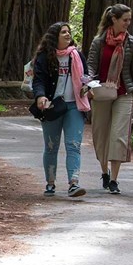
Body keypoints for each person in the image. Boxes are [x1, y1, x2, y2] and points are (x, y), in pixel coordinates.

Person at [87, 4, 133, 195]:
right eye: (125, 20)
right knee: (101, 135)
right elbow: (90, 68)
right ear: (114, 19)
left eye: (129, 20)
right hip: (101, 93)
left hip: (123, 93)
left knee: (119, 136)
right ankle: (104, 172)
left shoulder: (131, 43)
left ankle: (114, 179)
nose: (128, 23)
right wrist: (88, 86)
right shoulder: (98, 42)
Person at [32, 22, 91, 198]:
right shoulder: (44, 57)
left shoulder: (77, 55)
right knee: (51, 147)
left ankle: (74, 183)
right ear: (54, 36)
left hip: (75, 105)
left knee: (73, 145)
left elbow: (85, 76)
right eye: (63, 32)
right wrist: (40, 96)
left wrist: (88, 88)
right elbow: (38, 80)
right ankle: (50, 183)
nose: (67, 35)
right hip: (53, 107)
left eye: (69, 32)